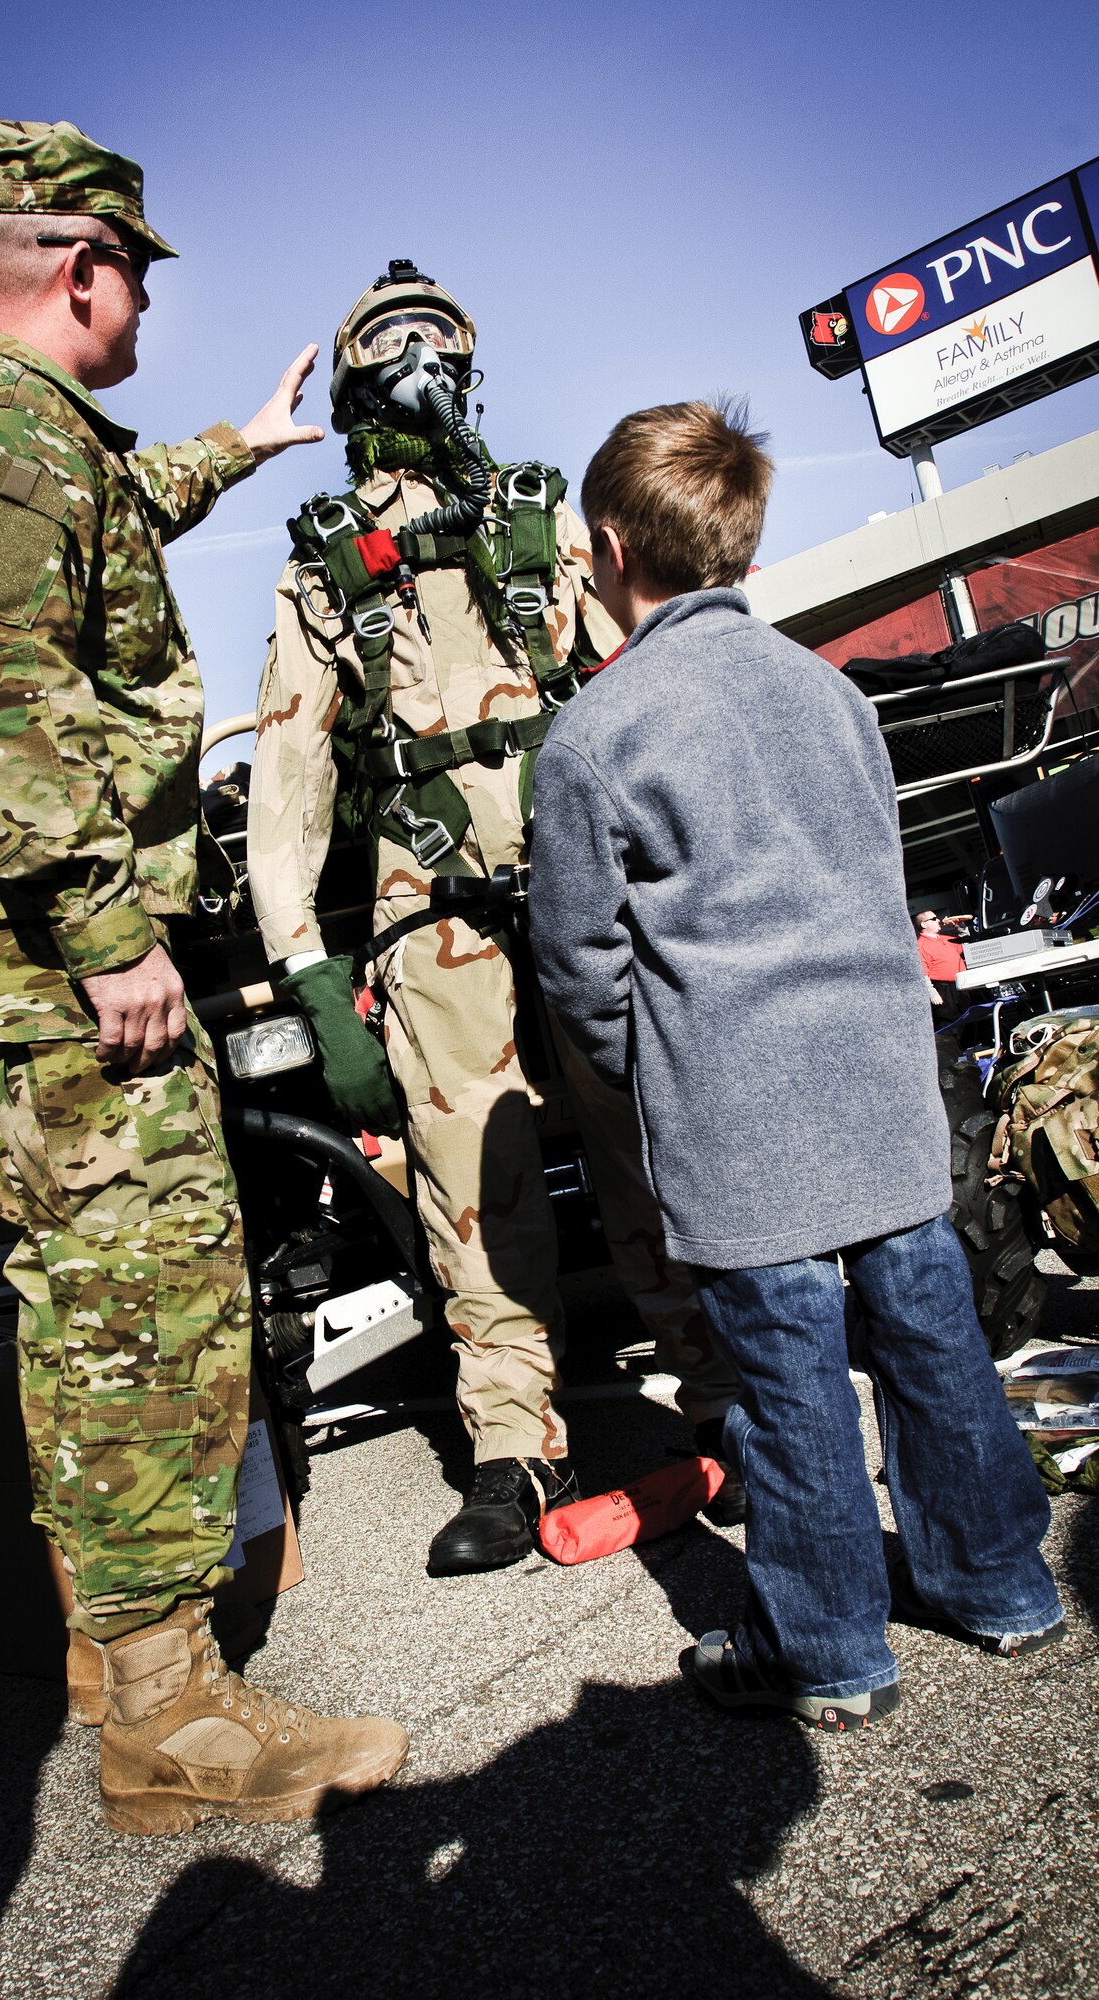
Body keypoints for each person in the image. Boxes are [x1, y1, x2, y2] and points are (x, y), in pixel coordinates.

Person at [0, 118, 408, 1832]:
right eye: (136, 281)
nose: (147, 312)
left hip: (35, 969)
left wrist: (237, 445)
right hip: (55, 976)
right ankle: (166, 1728)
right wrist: (104, 935)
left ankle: (163, 1695)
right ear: (82, 269)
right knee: (128, 1327)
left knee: (143, 1312)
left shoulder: (29, 445)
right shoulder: (5, 443)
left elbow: (111, 513)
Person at [530, 399, 1065, 1732]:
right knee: (936, 1340)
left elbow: (580, 975)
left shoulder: (597, 737)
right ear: (739, 541)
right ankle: (1001, 1586)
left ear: (608, 546)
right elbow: (876, 884)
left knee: (786, 1381)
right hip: (879, 1089)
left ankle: (829, 1652)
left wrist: (635, 1091)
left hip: (736, 1110)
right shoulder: (830, 691)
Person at [246, 262, 742, 1577]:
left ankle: (724, 1404)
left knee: (651, 1144)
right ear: (356, 380)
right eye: (388, 341)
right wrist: (304, 965)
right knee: (474, 1192)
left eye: (435, 339)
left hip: (589, 889)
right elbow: (290, 779)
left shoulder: (541, 518)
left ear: (465, 368)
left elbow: (642, 690)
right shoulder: (319, 566)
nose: (414, 357)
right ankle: (513, 1450)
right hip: (428, 919)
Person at [915, 909, 965, 1011]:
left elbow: (965, 945)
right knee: (951, 1021)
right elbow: (923, 973)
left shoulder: (945, 939)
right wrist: (932, 992)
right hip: (944, 989)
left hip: (962, 984)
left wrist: (960, 927)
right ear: (924, 924)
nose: (938, 920)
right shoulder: (921, 946)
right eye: (934, 919)